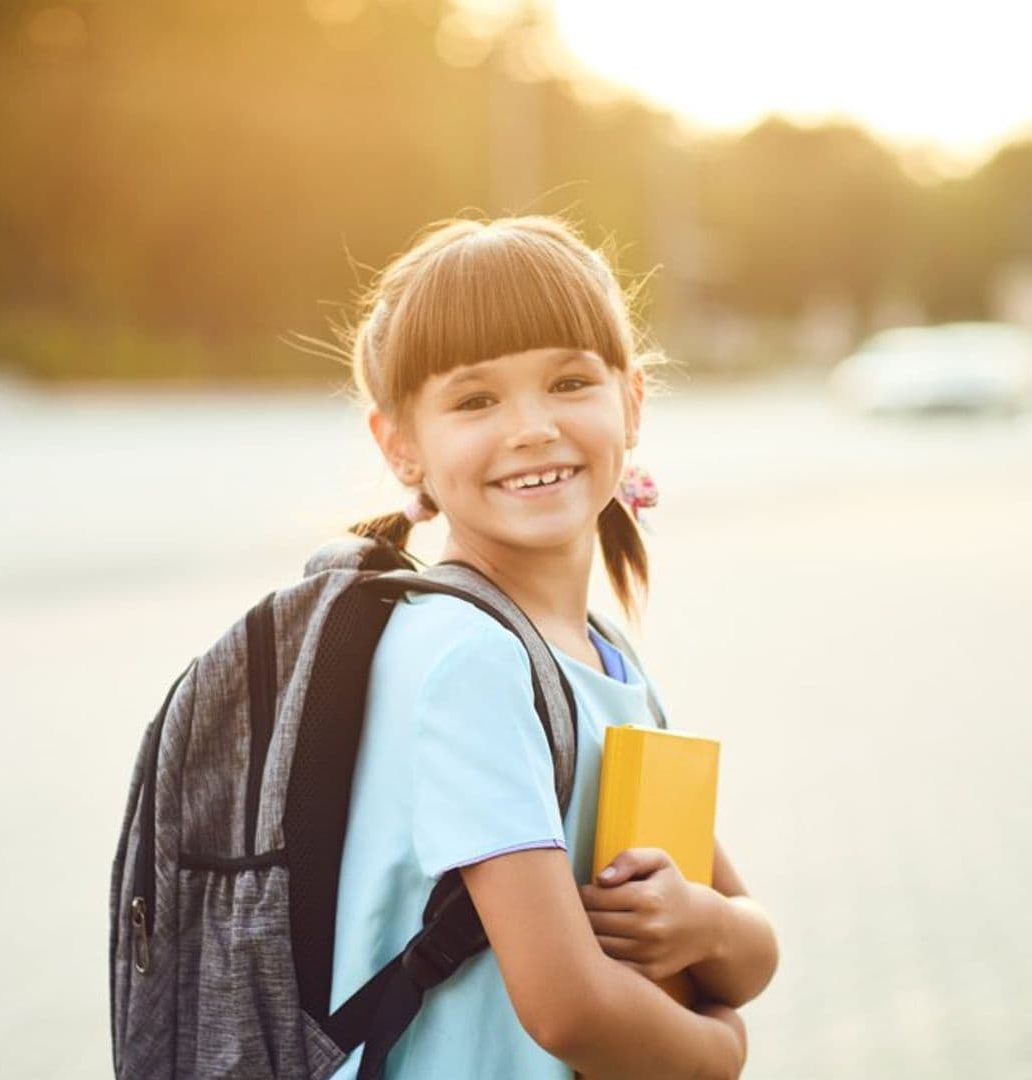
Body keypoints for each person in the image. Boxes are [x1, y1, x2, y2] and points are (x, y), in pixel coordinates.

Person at [329, 215, 779, 1078]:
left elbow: (750, 949)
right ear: (401, 447)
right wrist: (720, 1053)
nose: (531, 427)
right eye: (474, 400)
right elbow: (570, 1008)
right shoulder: (466, 659)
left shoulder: (607, 658)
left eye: (570, 382)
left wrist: (703, 924)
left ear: (633, 401)